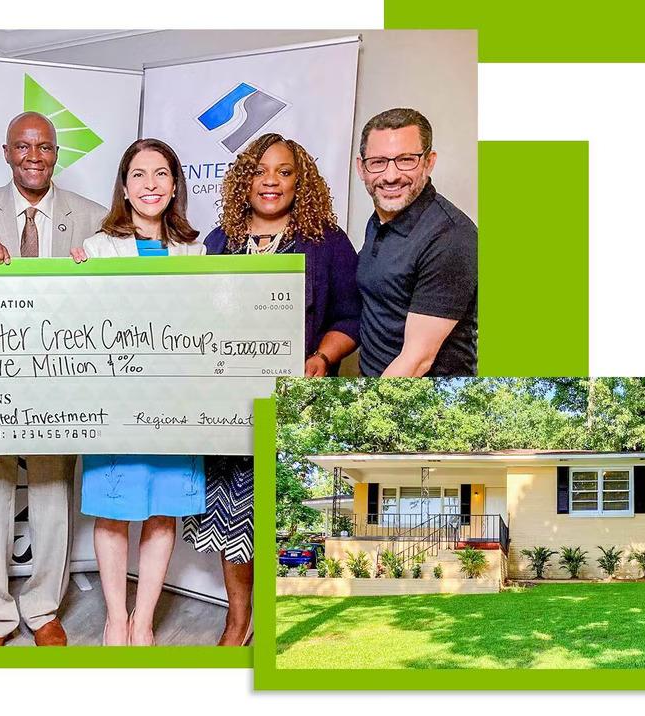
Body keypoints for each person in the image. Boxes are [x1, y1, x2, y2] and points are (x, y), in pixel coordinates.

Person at [0, 111, 107, 646]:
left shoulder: (93, 217)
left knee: (54, 492)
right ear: (6, 151)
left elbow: (114, 302)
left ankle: (43, 609)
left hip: (62, 382)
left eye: (46, 147)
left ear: (58, 154)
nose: (35, 157)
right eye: (23, 147)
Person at [190, 133, 360, 645]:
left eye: (284, 172)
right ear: (245, 178)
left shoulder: (326, 242)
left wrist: (322, 357)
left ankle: (287, 622)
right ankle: (238, 620)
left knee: (288, 513)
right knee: (233, 517)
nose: (271, 181)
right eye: (261, 170)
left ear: (299, 180)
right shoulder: (219, 241)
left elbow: (351, 318)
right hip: (228, 406)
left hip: (297, 403)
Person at [70, 138, 205, 645]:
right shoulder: (97, 248)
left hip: (175, 401)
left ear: (174, 187)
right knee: (114, 507)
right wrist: (73, 276)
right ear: (124, 188)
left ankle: (143, 619)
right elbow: (76, 322)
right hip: (115, 401)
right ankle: (114, 618)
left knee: (161, 508)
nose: (151, 184)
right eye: (140, 175)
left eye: (161, 174)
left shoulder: (197, 251)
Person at [354, 107, 478, 377]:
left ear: (429, 161)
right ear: (361, 168)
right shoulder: (379, 219)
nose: (390, 176)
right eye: (378, 162)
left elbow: (417, 360)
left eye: (406, 160)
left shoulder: (451, 237)